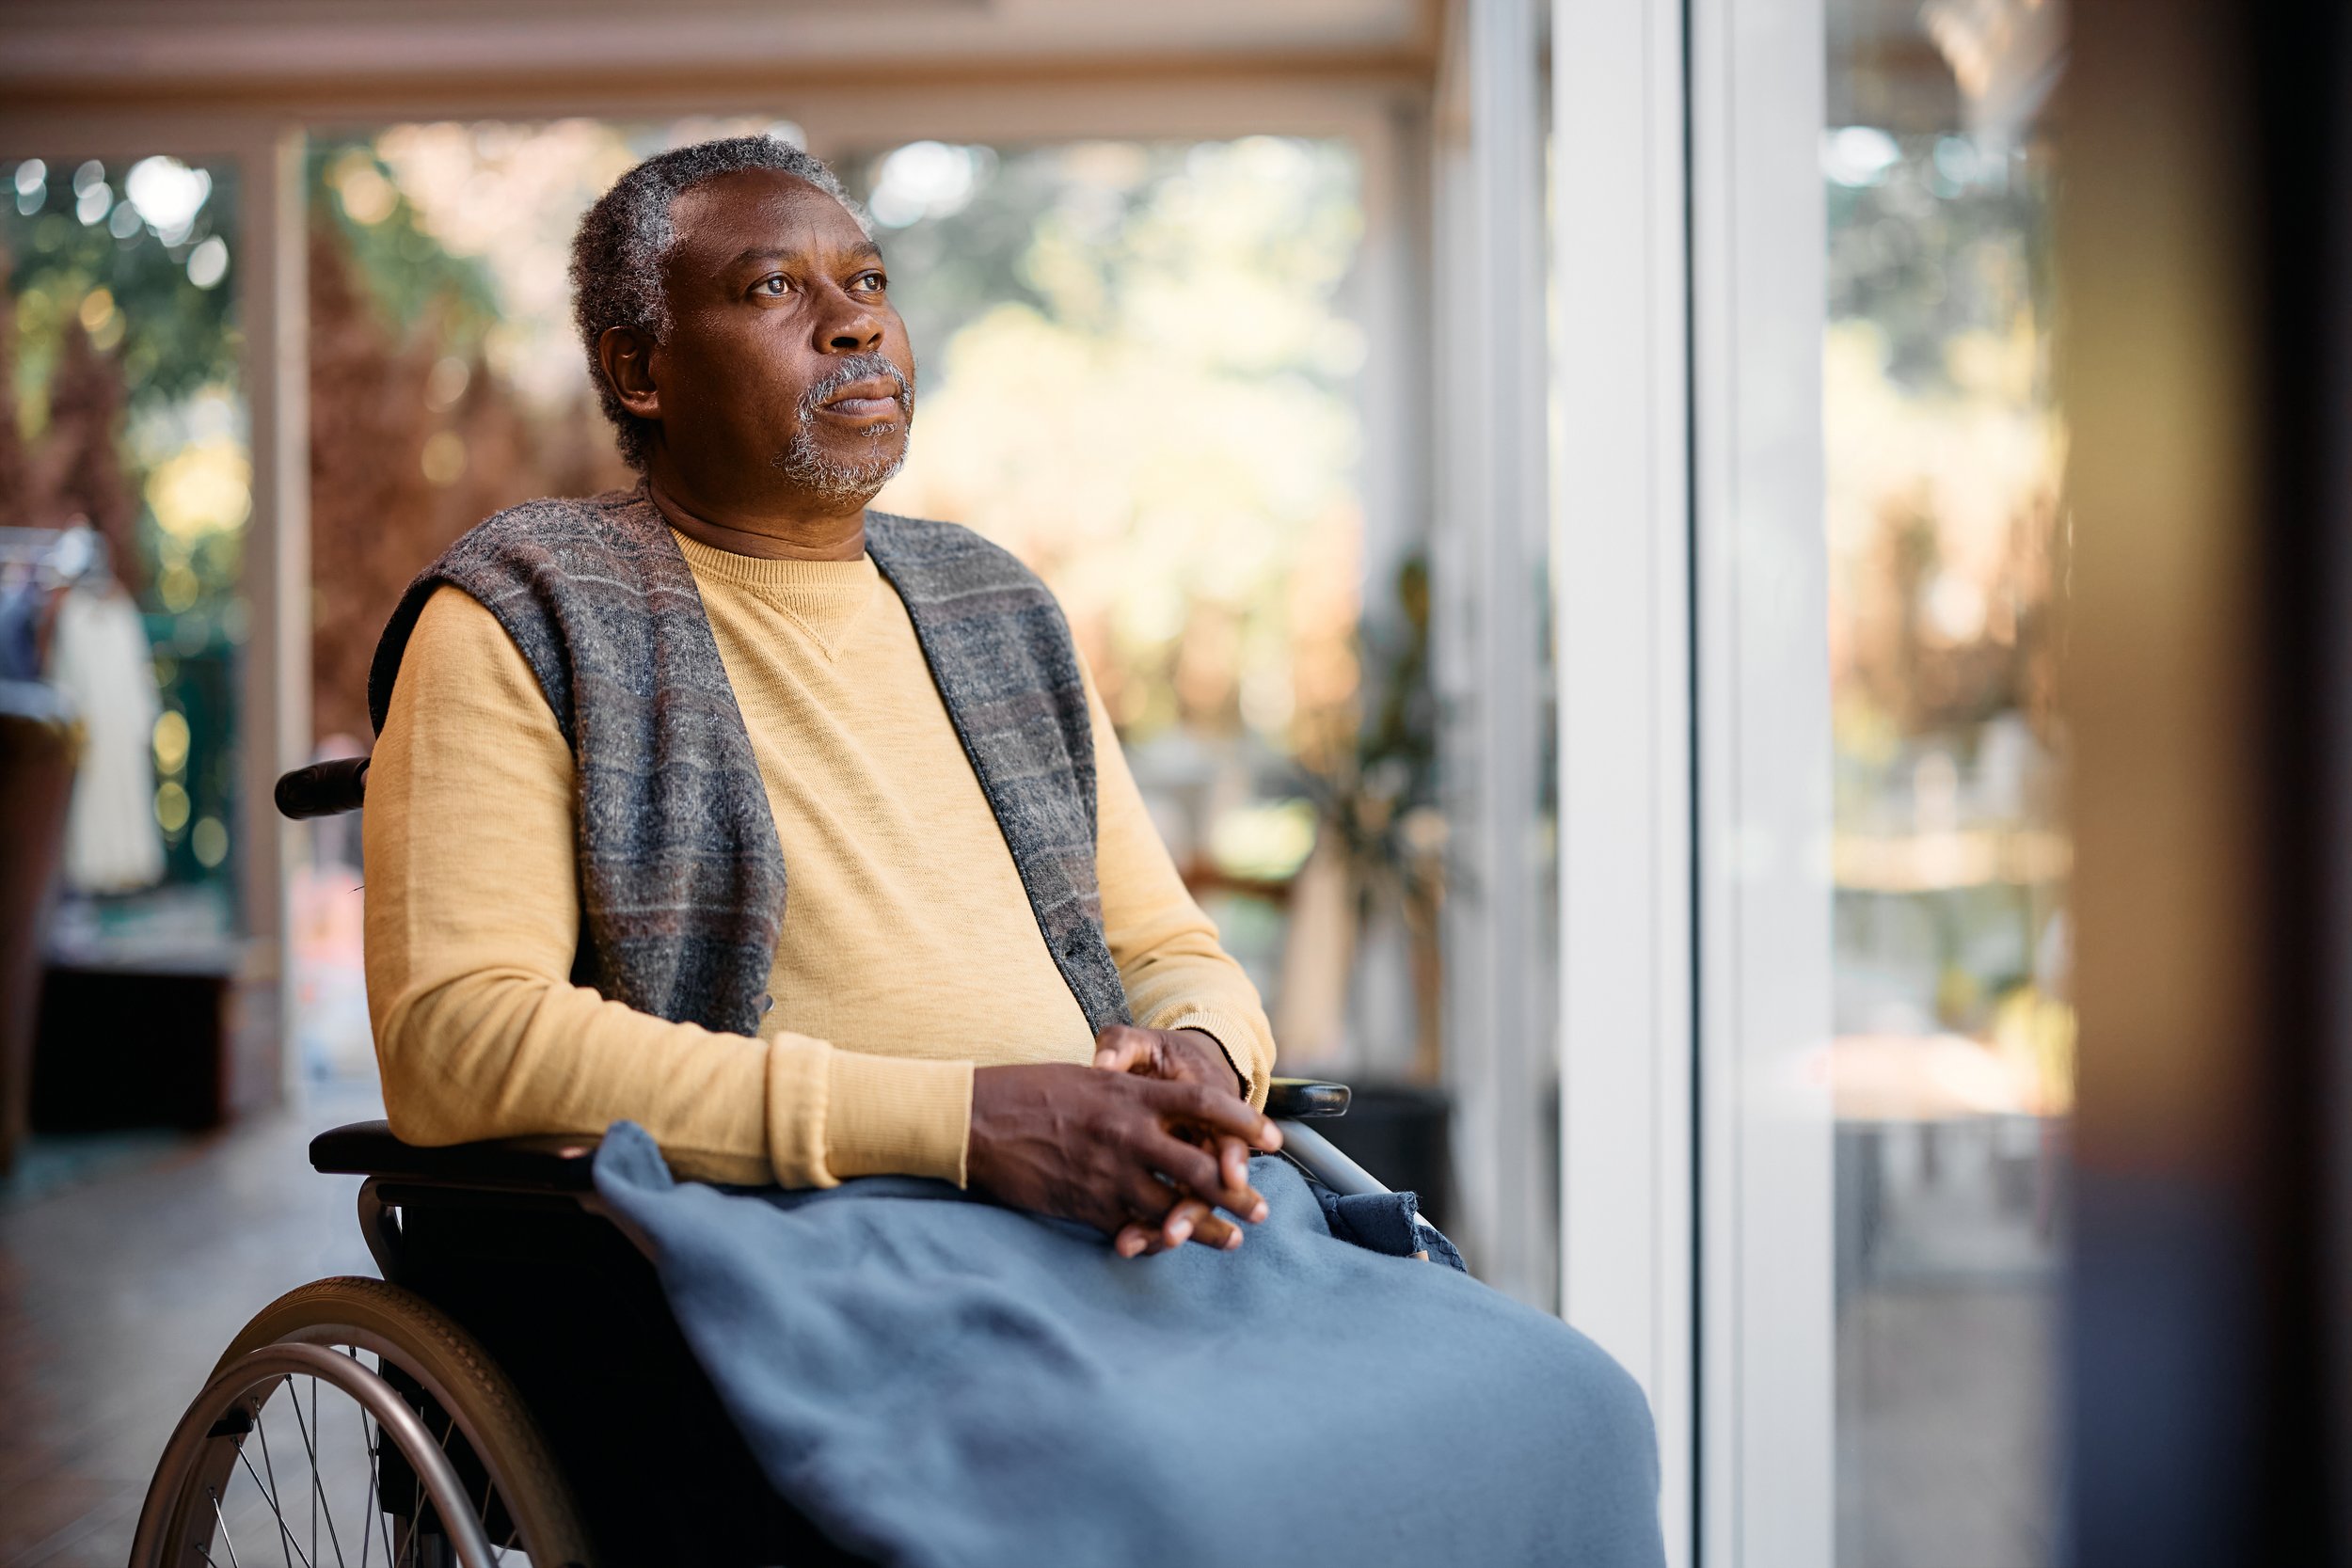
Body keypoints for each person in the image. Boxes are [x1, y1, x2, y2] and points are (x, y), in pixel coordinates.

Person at [364, 135, 1661, 1567]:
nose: (853, 320)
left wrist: (1206, 1059)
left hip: (1119, 1228)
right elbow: (457, 1044)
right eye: (773, 287)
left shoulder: (991, 607)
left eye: (866, 279)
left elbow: (1171, 951)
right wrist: (970, 1124)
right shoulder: (523, 614)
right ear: (639, 370)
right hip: (814, 1254)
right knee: (1195, 1505)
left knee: (1575, 1403)